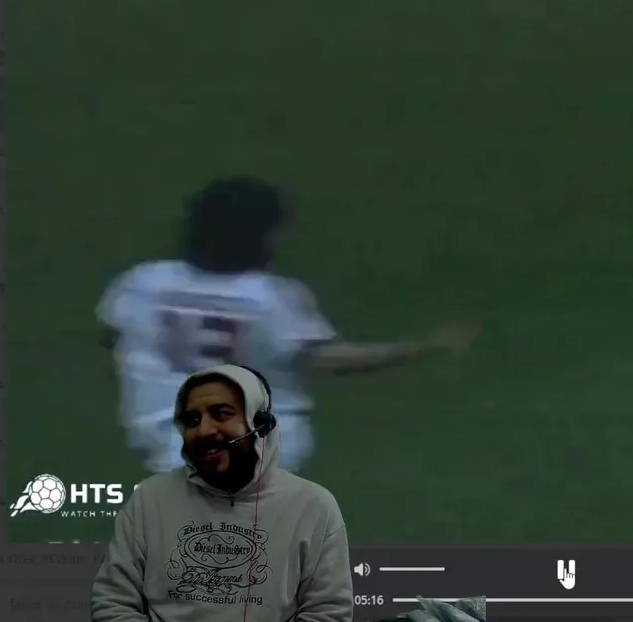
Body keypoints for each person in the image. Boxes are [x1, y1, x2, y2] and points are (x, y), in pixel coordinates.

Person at [98, 176, 480, 473]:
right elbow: (328, 359)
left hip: (167, 440)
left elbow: (115, 343)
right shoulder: (270, 298)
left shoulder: (143, 283)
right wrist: (421, 349)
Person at [92, 364, 354, 622]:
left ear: (260, 424)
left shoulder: (314, 506)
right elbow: (113, 603)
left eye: (222, 414)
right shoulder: (149, 499)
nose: (204, 430)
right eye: (193, 420)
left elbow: (328, 612)